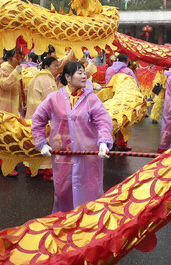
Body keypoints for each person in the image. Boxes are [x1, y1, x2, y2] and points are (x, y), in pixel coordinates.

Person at [31, 61, 114, 213]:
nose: (84, 76)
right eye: (79, 73)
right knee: (63, 195)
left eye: (84, 73)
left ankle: (88, 227)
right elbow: (38, 119)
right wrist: (41, 142)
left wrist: (103, 142)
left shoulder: (91, 99)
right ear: (68, 77)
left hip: (87, 158)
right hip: (63, 157)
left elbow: (103, 121)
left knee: (89, 193)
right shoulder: (54, 98)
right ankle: (64, 227)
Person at [25, 55, 60, 120]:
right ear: (46, 67)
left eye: (58, 66)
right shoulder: (48, 80)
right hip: (41, 119)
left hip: (30, 117)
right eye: (55, 66)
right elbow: (52, 103)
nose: (57, 68)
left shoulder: (35, 78)